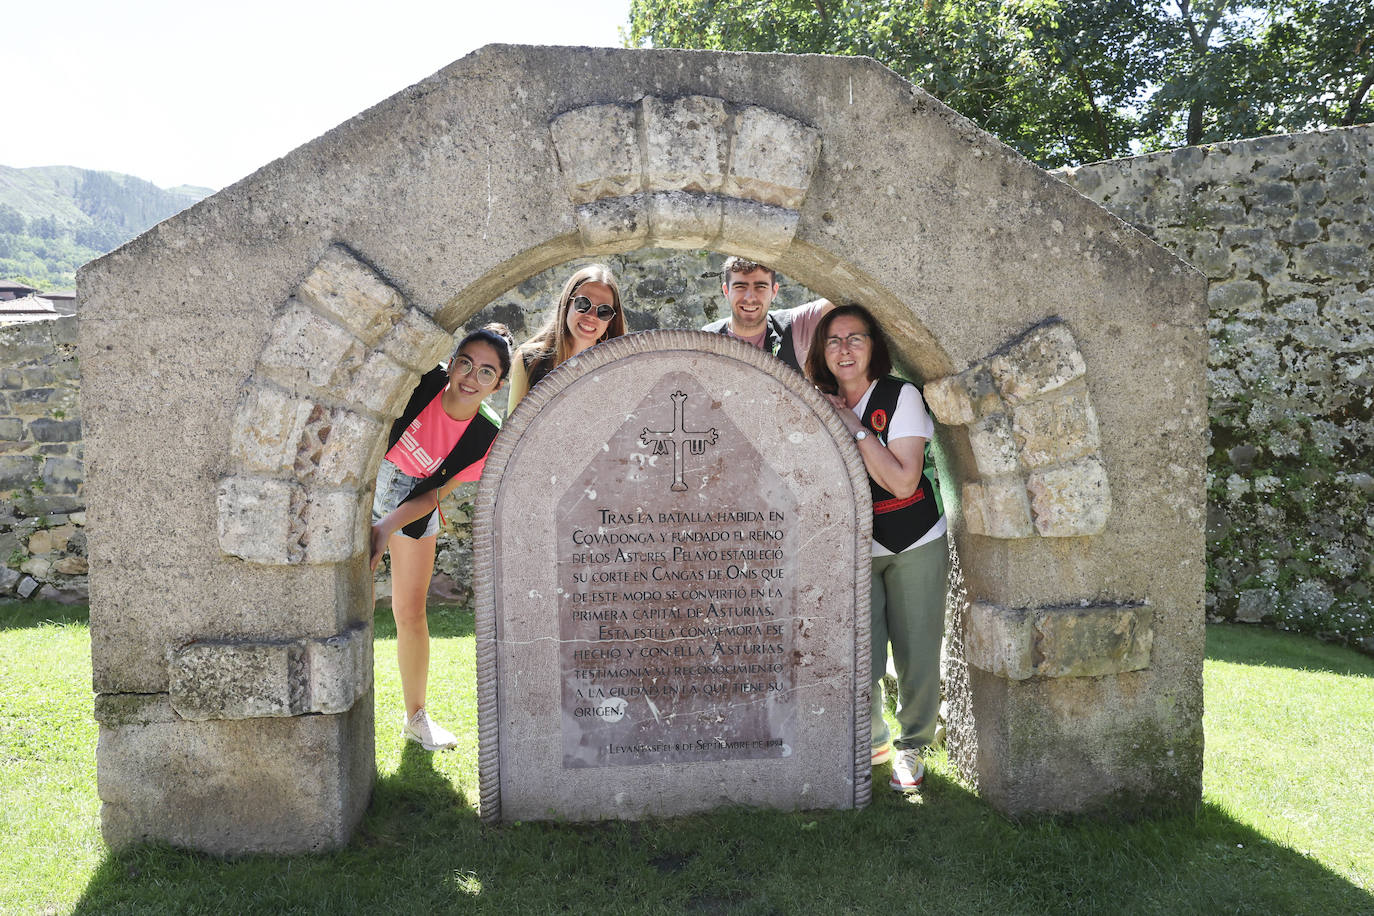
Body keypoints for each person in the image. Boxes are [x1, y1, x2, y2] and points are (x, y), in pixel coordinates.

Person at [805, 304, 948, 793]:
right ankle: (872, 742)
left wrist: (857, 428)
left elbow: (904, 482)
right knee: (856, 653)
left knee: (916, 650)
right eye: (833, 341)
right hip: (854, 549)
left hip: (913, 538)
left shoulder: (900, 396)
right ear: (821, 352)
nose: (844, 349)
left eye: (855, 339)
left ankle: (914, 745)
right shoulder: (816, 400)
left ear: (873, 346)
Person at [370, 323, 514, 750]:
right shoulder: (423, 384)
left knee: (410, 612)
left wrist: (386, 526)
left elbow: (435, 492)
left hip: (413, 501)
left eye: (486, 372)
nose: (472, 377)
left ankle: (417, 717)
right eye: (466, 363)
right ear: (451, 364)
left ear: (498, 384)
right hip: (366, 484)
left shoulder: (487, 434)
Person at [506, 264, 627, 415]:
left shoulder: (619, 370)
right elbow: (514, 430)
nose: (591, 315)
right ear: (567, 303)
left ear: (611, 320)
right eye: (583, 303)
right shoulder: (528, 360)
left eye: (604, 311)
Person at [701, 256, 832, 373]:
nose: (750, 298)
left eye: (760, 287)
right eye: (740, 287)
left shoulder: (794, 326)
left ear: (774, 291)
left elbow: (844, 298)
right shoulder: (705, 340)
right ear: (726, 291)